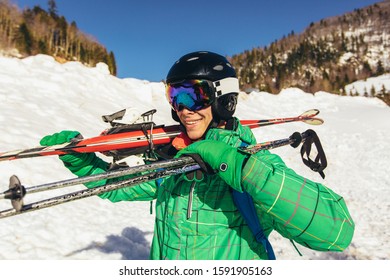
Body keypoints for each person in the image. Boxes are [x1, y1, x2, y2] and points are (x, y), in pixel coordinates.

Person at [40, 51, 355, 260]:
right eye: (176, 97)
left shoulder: (251, 164)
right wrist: (86, 163)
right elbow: (123, 186)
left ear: (224, 100)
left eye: (196, 95)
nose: (184, 109)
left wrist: (243, 168)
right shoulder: (174, 160)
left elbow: (336, 232)